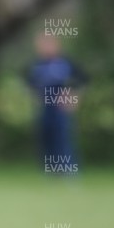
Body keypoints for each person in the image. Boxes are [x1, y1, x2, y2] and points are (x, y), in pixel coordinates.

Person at [27, 34, 86, 173]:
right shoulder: (37, 66)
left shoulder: (66, 63)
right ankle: (50, 173)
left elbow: (82, 81)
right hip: (45, 109)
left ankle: (69, 172)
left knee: (63, 141)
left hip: (61, 109)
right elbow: (30, 86)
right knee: (46, 140)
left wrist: (74, 97)